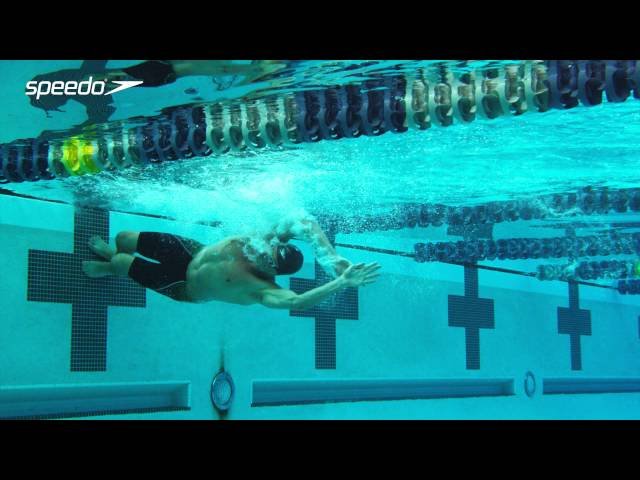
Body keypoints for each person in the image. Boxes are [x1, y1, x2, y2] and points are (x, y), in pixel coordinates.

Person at [82, 216, 380, 310]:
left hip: (187, 287)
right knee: (123, 238)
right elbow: (302, 220)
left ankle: (111, 267)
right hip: (191, 251)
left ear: (273, 270)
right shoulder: (265, 238)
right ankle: (113, 254)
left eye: (268, 258)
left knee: (122, 263)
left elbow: (296, 303)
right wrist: (335, 260)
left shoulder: (261, 288)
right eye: (271, 246)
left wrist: (341, 282)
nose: (263, 250)